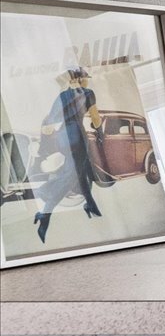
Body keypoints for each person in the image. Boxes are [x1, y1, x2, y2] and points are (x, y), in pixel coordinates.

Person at [34, 65, 104, 243]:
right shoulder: (88, 93)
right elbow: (95, 119)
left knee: (82, 169)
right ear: (80, 79)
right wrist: (99, 127)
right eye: (86, 77)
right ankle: (45, 211)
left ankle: (90, 203)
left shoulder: (62, 96)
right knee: (72, 174)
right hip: (77, 135)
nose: (88, 80)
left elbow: (49, 126)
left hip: (63, 137)